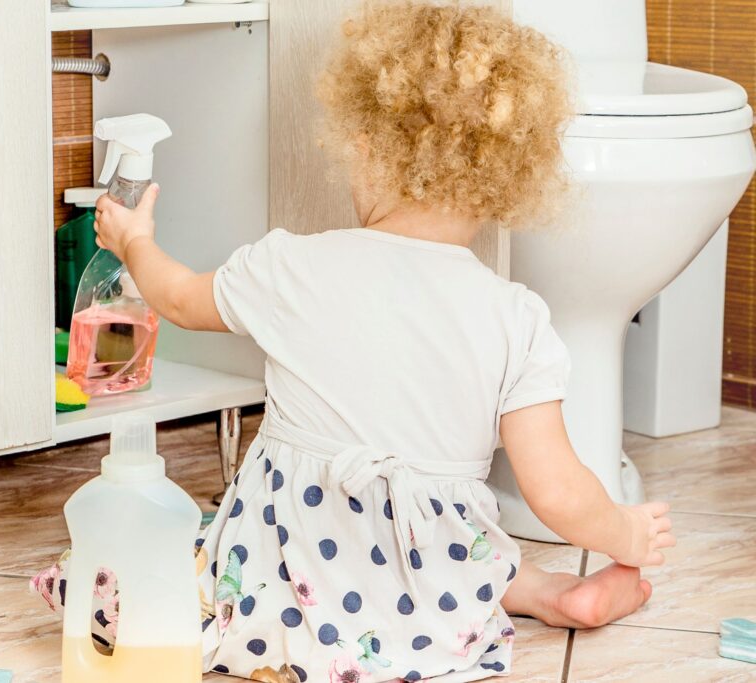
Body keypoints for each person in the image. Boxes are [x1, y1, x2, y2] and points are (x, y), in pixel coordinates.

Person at [33, 2, 675, 680]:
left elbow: (180, 299)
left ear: (364, 146)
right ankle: (549, 590)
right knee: (462, 549)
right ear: (501, 182)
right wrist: (622, 530)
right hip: (430, 593)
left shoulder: (293, 266)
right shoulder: (516, 316)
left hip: (288, 573)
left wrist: (134, 241)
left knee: (133, 578)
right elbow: (558, 490)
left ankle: (528, 593)